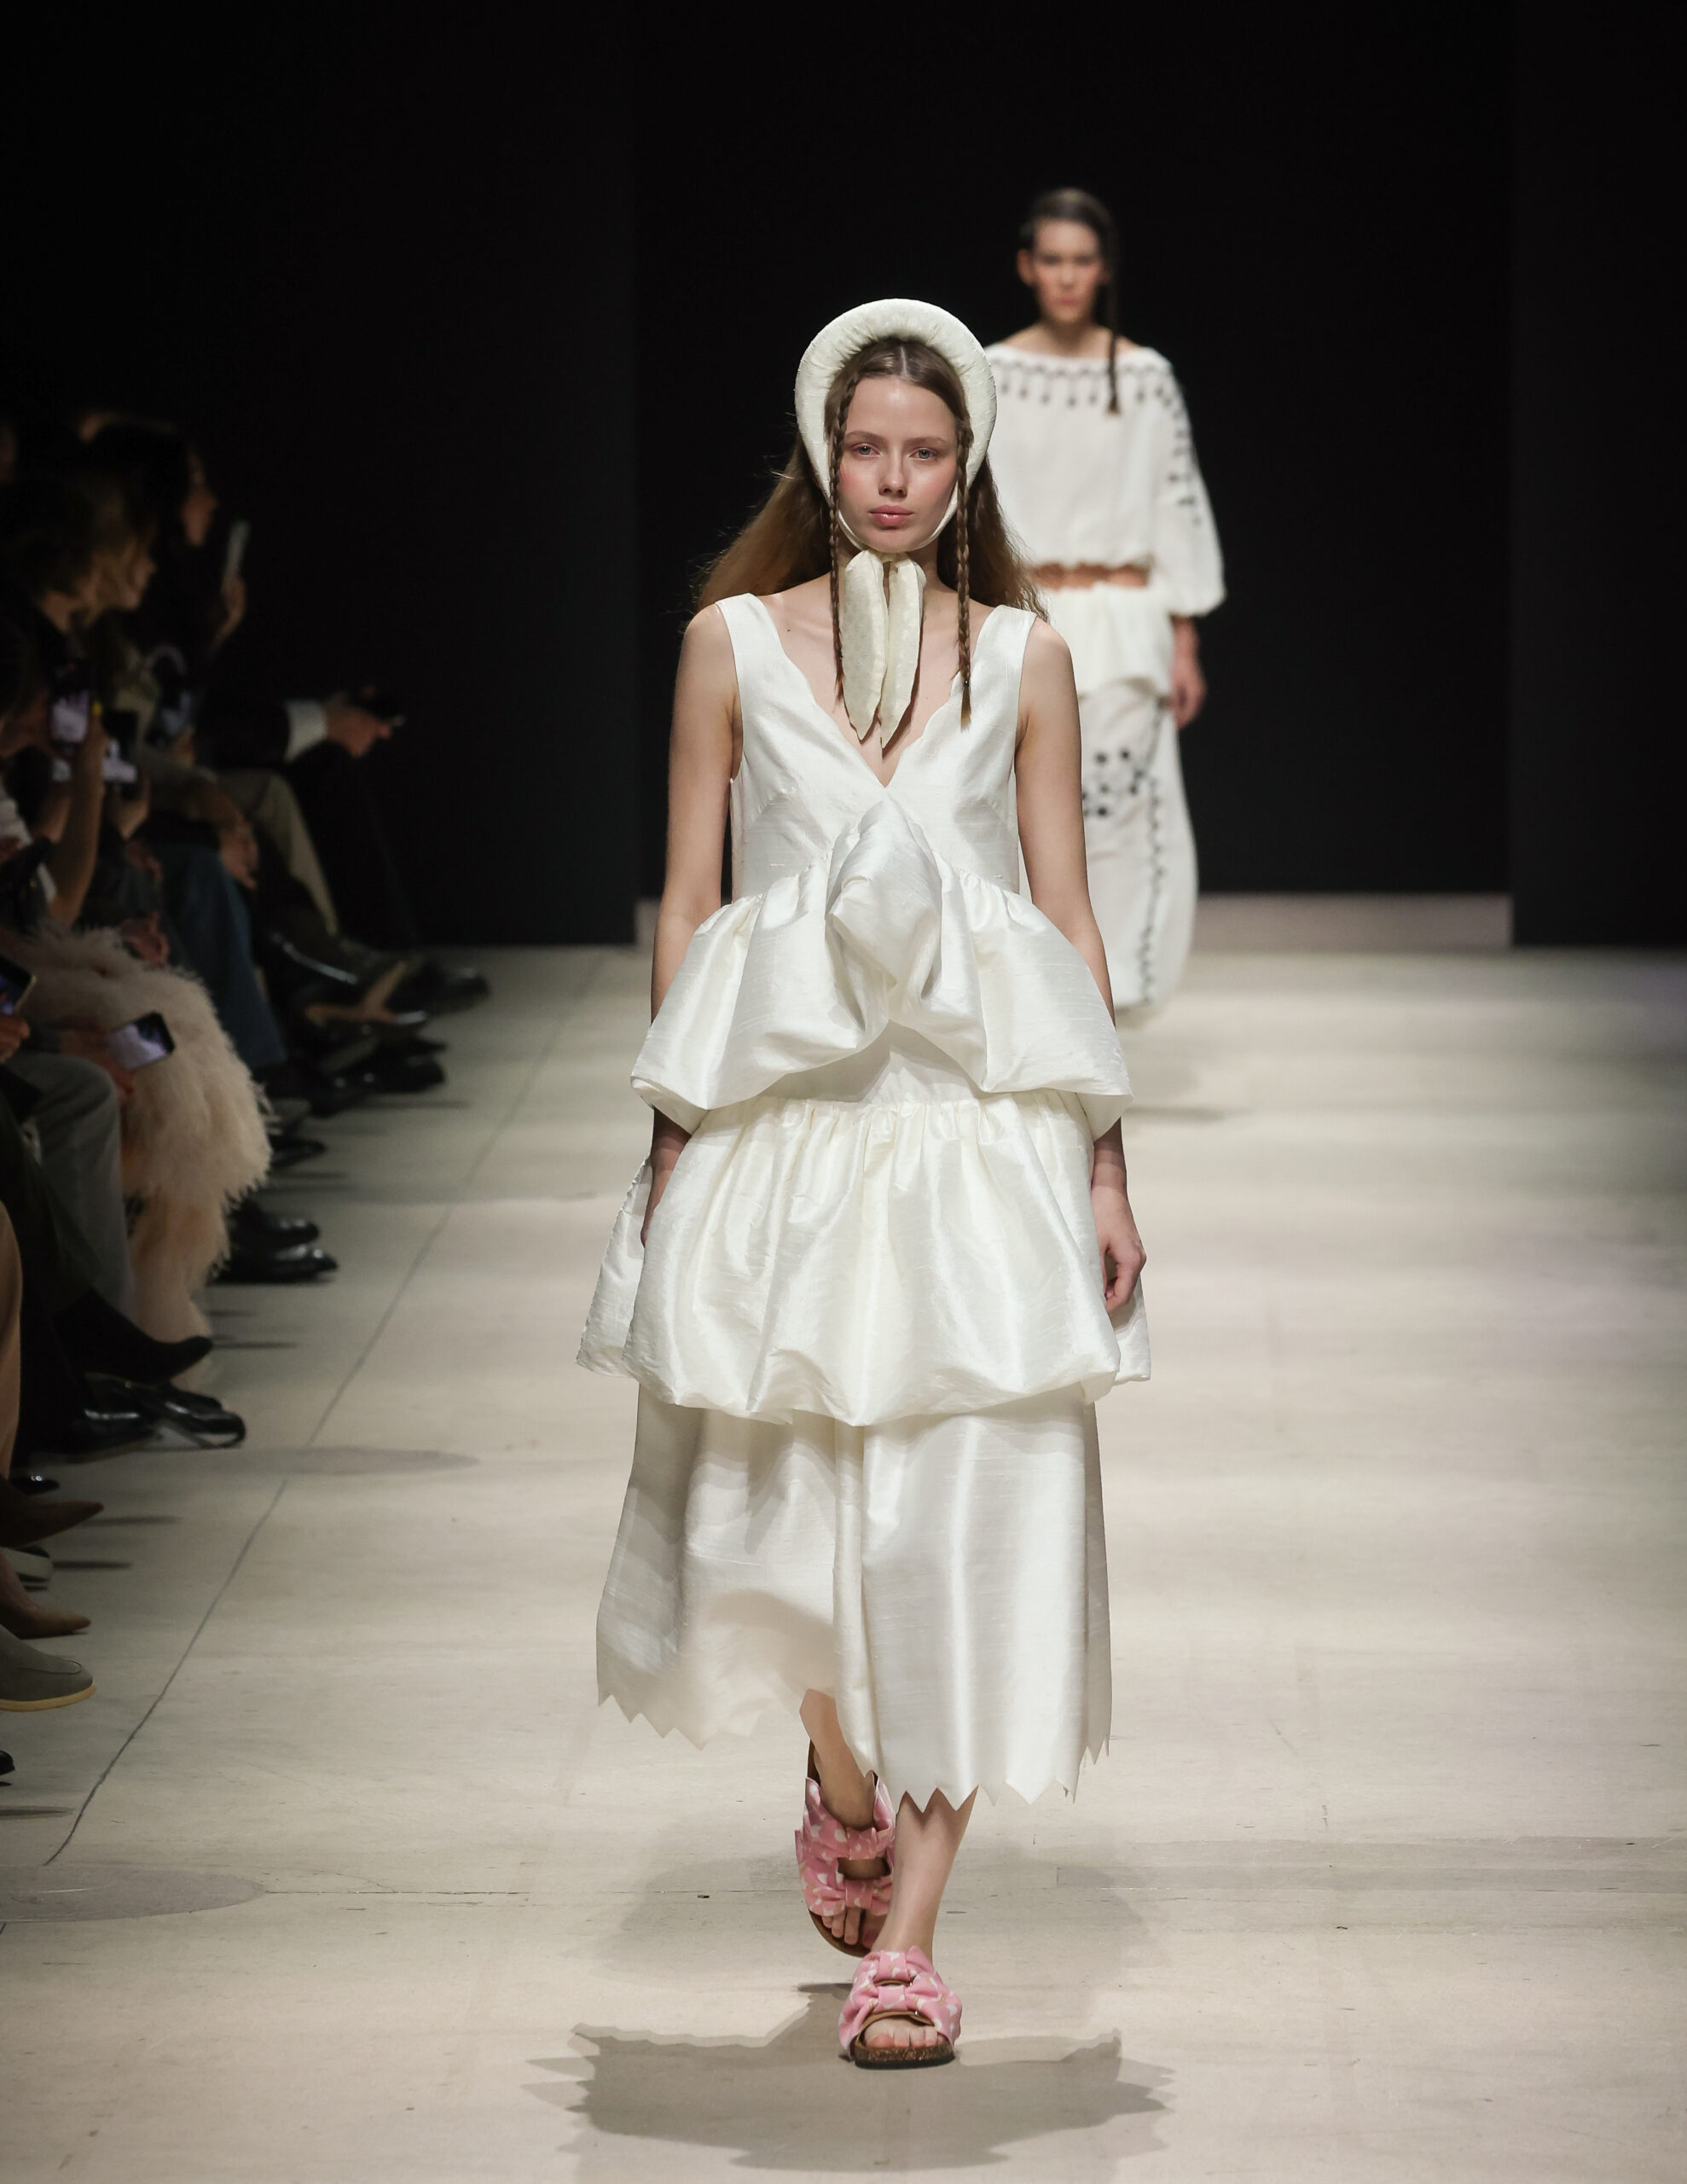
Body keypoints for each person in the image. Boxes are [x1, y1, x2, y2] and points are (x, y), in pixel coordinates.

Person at [581, 300, 1151, 2068]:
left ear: (963, 467)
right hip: (789, 1131)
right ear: (819, 456)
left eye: (923, 453)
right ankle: (839, 1779)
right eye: (864, 448)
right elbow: (689, 900)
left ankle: (909, 1939)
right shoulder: (730, 646)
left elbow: (1064, 918)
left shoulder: (1024, 659)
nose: (892, 480)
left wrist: (1103, 1153)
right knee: (783, 1518)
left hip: (973, 1133)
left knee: (973, 1514)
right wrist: (670, 1125)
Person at [986, 189, 1225, 1013]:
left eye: (1081, 261)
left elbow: (1174, 505)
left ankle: (1104, 1001)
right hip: (1024, 617)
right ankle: (1030, 997)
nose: (1066, 277)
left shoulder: (1147, 378)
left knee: (1119, 817)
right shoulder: (992, 372)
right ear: (1027, 266)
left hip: (1124, 622)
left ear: (1104, 270)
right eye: (1052, 259)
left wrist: (1185, 642)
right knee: (1019, 814)